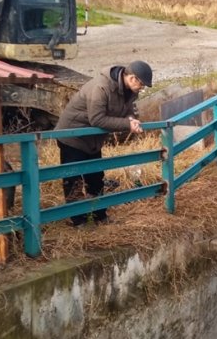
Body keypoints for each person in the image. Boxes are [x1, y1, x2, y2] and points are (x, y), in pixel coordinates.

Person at [55, 60, 152, 226]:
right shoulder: (101, 87)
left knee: (96, 177)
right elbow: (96, 118)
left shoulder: (129, 91)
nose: (141, 89)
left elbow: (127, 111)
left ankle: (100, 215)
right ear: (132, 78)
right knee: (74, 179)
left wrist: (131, 119)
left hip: (93, 139)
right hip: (73, 135)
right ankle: (78, 220)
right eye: (141, 84)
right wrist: (127, 125)